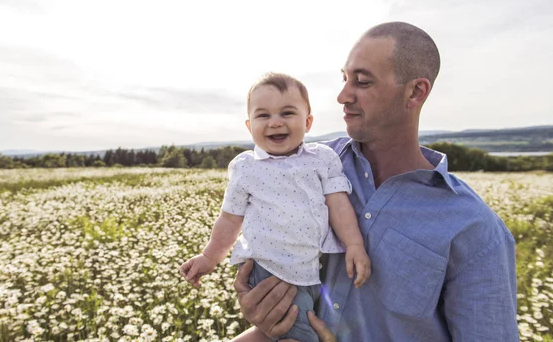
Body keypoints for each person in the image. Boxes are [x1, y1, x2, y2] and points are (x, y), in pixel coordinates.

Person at [233, 22, 519, 341]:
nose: (342, 96)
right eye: (344, 78)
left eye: (362, 82)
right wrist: (262, 308)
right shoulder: (308, 165)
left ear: (415, 92)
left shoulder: (475, 230)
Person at [180, 73, 371, 342]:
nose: (275, 122)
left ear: (308, 122)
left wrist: (354, 244)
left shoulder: (322, 159)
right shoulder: (245, 167)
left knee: (294, 327)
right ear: (249, 126)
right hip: (268, 268)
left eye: (287, 113)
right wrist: (210, 257)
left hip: (310, 268)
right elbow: (229, 219)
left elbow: (338, 204)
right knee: (299, 335)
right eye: (263, 116)